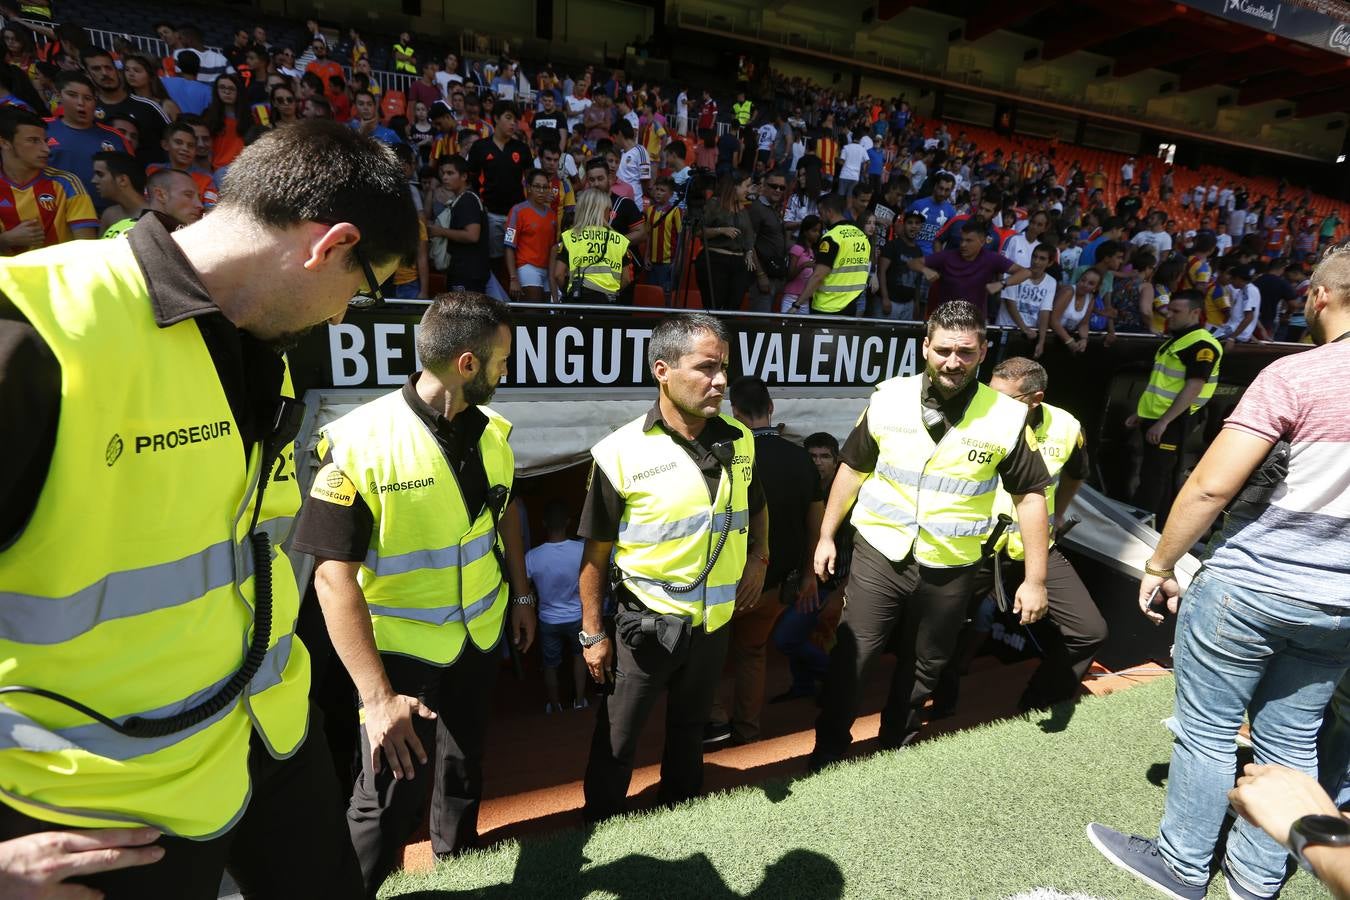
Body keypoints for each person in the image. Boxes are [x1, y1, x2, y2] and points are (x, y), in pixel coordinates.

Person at [0, 119, 415, 899]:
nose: (342, 316)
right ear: (329, 245)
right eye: (362, 289)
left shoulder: (263, 343)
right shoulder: (35, 325)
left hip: (272, 743)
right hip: (96, 819)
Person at [1088, 247, 1350, 900]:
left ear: (1319, 297)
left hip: (1251, 587)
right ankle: (1257, 880)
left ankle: (1181, 866)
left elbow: (1208, 486)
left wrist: (1160, 562)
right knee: (1291, 745)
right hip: (1337, 609)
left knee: (1206, 733)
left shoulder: (1298, 375)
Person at [295, 293, 534, 896]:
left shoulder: (494, 433)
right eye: (502, 360)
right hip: (397, 662)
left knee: (462, 771)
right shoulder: (354, 445)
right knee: (384, 803)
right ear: (467, 364)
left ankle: (461, 873)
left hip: (479, 638)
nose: (509, 371)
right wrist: (376, 699)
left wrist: (522, 596)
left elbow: (506, 512)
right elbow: (331, 578)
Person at [810, 300, 1050, 769]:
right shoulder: (887, 397)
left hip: (952, 565)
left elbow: (1032, 497)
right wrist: (825, 535)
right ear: (925, 347)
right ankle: (828, 754)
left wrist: (1035, 579)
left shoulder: (1007, 417)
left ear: (983, 351)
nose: (952, 362)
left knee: (926, 664)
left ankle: (894, 751)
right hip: (880, 553)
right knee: (852, 657)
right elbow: (852, 468)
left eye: (964, 352)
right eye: (943, 350)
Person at [579, 313, 767, 821]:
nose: (721, 380)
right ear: (662, 370)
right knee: (619, 738)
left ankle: (679, 815)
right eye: (706, 368)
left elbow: (757, 503)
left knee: (690, 731)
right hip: (645, 626)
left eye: (723, 367)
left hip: (713, 626)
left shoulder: (741, 440)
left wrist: (760, 557)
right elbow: (594, 554)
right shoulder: (618, 453)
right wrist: (593, 633)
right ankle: (597, 826)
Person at [950, 357, 1107, 712]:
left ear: (1035, 398)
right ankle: (941, 705)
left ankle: (1034, 707)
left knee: (1089, 631)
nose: (992, 403)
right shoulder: (973, 417)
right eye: (990, 393)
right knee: (940, 632)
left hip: (1032, 550)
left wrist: (1057, 514)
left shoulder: (1066, 426)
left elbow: (1076, 473)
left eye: (1004, 398)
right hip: (973, 547)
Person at [706, 377, 822, 747]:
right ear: (771, 408)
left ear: (734, 412)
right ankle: (747, 732)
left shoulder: (730, 456)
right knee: (752, 655)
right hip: (777, 585)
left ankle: (715, 722)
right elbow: (815, 524)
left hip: (726, 585)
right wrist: (808, 575)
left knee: (703, 658)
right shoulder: (801, 456)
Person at [1126, 289, 1222, 528]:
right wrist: (1142, 414)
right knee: (1156, 475)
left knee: (1155, 477)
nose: (1170, 315)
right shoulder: (1178, 339)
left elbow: (1194, 386)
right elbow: (1163, 383)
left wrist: (1164, 421)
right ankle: (1155, 526)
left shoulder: (1201, 344)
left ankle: (1140, 528)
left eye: (1176, 311)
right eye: (1169, 309)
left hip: (1174, 421)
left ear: (1195, 312)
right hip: (1158, 417)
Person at [0, 107, 95, 251]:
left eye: (45, 141)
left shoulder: (67, 183)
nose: (46, 149)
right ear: (4, 143)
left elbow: (87, 248)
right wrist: (5, 240)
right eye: (33, 141)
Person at [528, 500, 588, 714]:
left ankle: (555, 705)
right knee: (579, 655)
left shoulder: (533, 557)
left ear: (544, 523)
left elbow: (525, 589)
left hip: (548, 619)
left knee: (550, 664)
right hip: (577, 617)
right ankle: (579, 701)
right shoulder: (581, 550)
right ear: (569, 522)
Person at [911, 216, 1031, 318]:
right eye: (962, 240)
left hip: (973, 324)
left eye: (969, 241)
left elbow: (1025, 272)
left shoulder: (991, 258)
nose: (963, 244)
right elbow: (913, 262)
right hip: (946, 321)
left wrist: (1002, 284)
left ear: (982, 241)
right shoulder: (948, 256)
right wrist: (925, 269)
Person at [467, 103, 532, 283]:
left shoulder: (522, 149)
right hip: (490, 214)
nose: (513, 124)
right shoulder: (480, 147)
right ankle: (495, 297)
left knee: (517, 258)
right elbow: (471, 178)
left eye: (516, 120)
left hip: (516, 216)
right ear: (495, 118)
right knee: (493, 259)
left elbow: (530, 181)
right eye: (508, 118)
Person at [45, 70, 131, 207]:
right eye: (72, 95)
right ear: (58, 95)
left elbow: (130, 181)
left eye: (87, 98)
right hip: (56, 214)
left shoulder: (115, 137)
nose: (81, 103)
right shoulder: (42, 129)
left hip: (107, 216)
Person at [85, 48, 169, 167]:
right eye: (96, 69)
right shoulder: (88, 110)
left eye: (108, 67)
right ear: (88, 74)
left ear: (117, 71)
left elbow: (174, 140)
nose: (104, 73)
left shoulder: (149, 107)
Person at [553, 188, 631, 304]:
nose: (610, 214)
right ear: (603, 211)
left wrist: (568, 292)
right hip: (609, 303)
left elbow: (558, 274)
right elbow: (626, 279)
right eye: (609, 210)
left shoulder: (570, 236)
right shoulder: (620, 240)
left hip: (578, 300)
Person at [799, 193, 869, 315]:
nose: (820, 218)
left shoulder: (831, 238)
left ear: (829, 212)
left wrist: (797, 304)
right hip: (851, 307)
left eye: (821, 213)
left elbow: (818, 276)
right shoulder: (862, 236)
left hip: (826, 307)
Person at [429, 154, 491, 293]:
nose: (445, 177)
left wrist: (439, 231)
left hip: (468, 273)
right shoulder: (461, 199)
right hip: (462, 271)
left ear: (464, 176)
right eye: (443, 173)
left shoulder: (467, 200)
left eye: (450, 173)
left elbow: (472, 235)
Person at [695, 170, 755, 311]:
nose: (748, 190)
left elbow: (749, 235)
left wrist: (749, 252)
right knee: (715, 304)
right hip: (716, 260)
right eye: (746, 186)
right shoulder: (715, 204)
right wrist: (721, 230)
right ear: (734, 187)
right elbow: (698, 231)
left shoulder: (743, 209)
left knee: (734, 304)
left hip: (739, 263)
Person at [504, 169, 556, 301]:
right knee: (533, 311)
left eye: (545, 187)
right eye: (537, 186)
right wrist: (513, 278)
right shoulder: (517, 211)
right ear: (529, 188)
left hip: (548, 270)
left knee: (546, 314)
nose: (541, 191)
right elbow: (509, 246)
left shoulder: (552, 215)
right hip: (527, 267)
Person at [996, 242, 1057, 351]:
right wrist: (1024, 328)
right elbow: (1010, 304)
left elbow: (1045, 312)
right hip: (1007, 329)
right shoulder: (1015, 273)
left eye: (1042, 259)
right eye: (1035, 256)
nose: (1036, 261)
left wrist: (1041, 341)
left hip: (1029, 333)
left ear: (1050, 263)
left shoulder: (1051, 282)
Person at [153, 119, 219, 211]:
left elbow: (211, 211)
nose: (185, 148)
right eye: (179, 142)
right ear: (165, 145)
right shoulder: (153, 170)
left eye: (190, 145)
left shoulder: (206, 179)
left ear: (195, 150)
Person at [748, 171, 789, 313]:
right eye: (774, 186)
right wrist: (760, 275)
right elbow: (749, 244)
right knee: (760, 324)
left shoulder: (773, 208)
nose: (778, 190)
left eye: (782, 188)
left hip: (774, 275)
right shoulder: (757, 208)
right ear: (764, 186)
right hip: (762, 276)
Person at [878, 209, 925, 320]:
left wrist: (916, 304)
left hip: (908, 304)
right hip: (891, 302)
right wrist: (885, 298)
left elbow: (917, 280)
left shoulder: (919, 252)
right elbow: (881, 271)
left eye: (917, 223)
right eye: (910, 223)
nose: (913, 226)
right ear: (903, 225)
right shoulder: (892, 245)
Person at [92, 149, 146, 235]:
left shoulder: (157, 214)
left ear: (122, 180)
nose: (93, 180)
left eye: (100, 174)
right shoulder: (109, 215)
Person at [644, 176, 681, 299]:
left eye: (662, 190)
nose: (658, 193)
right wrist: (646, 256)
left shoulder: (676, 211)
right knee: (652, 295)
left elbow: (681, 237)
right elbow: (648, 234)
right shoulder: (649, 211)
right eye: (657, 189)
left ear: (671, 194)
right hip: (653, 262)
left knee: (666, 296)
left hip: (668, 263)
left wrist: (677, 261)